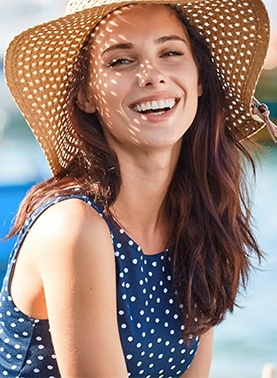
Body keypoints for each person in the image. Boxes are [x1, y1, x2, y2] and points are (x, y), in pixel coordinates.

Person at [0, 0, 276, 377]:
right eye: (120, 61)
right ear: (85, 96)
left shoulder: (198, 219)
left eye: (171, 52)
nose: (152, 75)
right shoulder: (74, 227)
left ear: (198, 79)